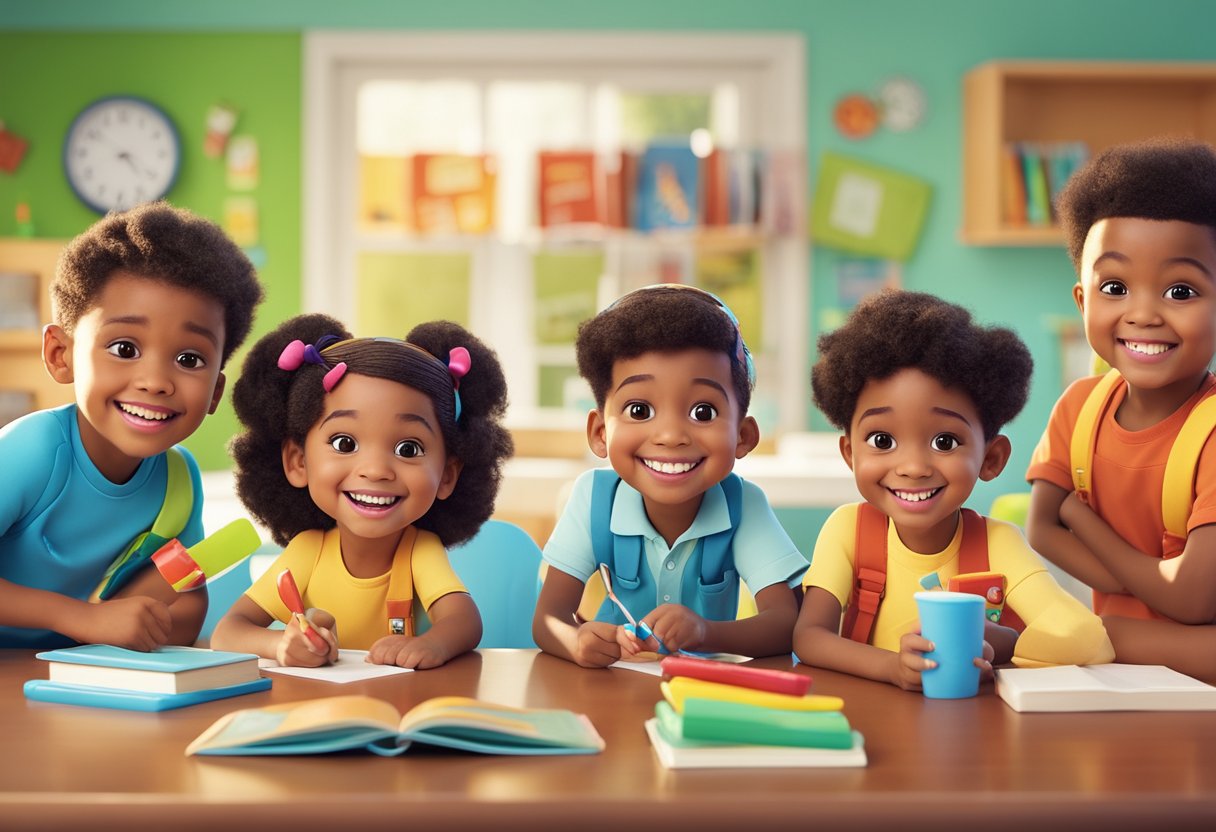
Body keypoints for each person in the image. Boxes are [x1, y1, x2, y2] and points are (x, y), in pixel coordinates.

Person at [795, 290, 1113, 691]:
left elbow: (1088, 637)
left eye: (944, 442)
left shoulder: (998, 543)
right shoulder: (848, 531)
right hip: (871, 727)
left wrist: (1001, 645)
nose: (912, 468)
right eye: (881, 440)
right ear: (850, 453)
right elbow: (809, 637)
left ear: (991, 459)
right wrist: (893, 667)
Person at [0, 202, 263, 650]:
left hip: (73, 677)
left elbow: (184, 605)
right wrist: (82, 618)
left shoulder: (178, 481)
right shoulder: (33, 450)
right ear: (61, 355)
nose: (156, 382)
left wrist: (138, 618)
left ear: (215, 392)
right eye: (124, 348)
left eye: (189, 359)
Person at [211, 313, 512, 669]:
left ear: (447, 475)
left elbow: (463, 621)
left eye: (408, 450)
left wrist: (433, 645)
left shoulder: (418, 550)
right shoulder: (307, 551)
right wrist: (282, 644)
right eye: (344, 442)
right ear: (298, 462)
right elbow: (226, 633)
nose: (375, 470)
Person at [532, 284, 808, 668]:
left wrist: (704, 631)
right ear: (600, 432)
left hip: (705, 698)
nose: (671, 436)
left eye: (703, 412)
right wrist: (575, 640)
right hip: (610, 691)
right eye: (640, 410)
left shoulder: (742, 505)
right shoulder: (593, 499)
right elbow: (548, 620)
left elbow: (787, 624)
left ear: (743, 436)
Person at [1026, 138, 1216, 682]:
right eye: (1115, 286)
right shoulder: (1079, 408)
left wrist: (1081, 519)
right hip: (1122, 669)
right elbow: (1041, 530)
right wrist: (1151, 583)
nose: (1143, 314)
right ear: (1083, 299)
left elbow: (1194, 600)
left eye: (1180, 291)